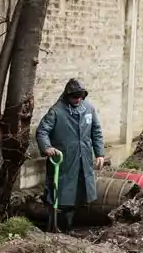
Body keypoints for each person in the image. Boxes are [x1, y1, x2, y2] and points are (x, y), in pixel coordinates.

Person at [35, 78, 105, 232]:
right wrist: (47, 147)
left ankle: (73, 225)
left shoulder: (89, 108)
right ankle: (59, 227)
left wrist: (100, 153)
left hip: (83, 160)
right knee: (61, 195)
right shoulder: (56, 111)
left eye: (80, 97)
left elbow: (96, 131)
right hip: (64, 161)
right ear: (67, 96)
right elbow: (42, 131)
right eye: (74, 97)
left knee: (81, 193)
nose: (77, 100)